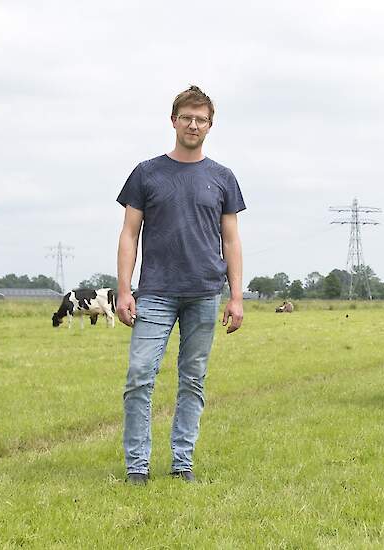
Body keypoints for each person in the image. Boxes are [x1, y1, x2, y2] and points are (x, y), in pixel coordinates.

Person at [115, 85, 245, 485]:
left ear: (210, 125)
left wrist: (236, 296)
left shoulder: (222, 178)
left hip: (205, 292)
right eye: (186, 117)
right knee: (140, 375)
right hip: (154, 292)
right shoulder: (147, 173)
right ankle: (137, 466)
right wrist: (123, 289)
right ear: (173, 120)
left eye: (201, 119)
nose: (193, 124)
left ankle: (181, 463)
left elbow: (231, 239)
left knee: (193, 379)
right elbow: (129, 233)